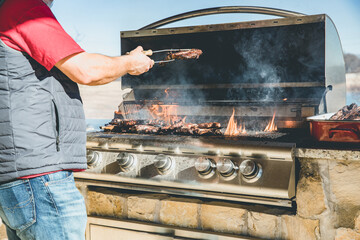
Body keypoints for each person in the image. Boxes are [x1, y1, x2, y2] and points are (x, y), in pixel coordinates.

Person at [0, 0, 154, 239]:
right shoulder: (23, 9)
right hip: (41, 180)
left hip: (18, 179)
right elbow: (87, 70)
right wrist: (130, 62)